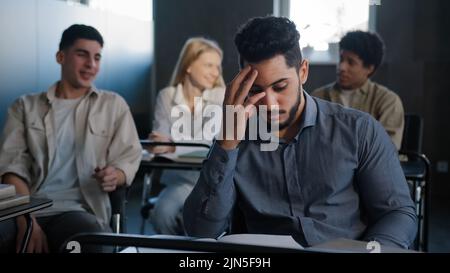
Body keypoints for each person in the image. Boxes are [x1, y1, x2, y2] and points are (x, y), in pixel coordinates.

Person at [184, 16, 417, 249]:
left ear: (303, 71)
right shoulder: (234, 140)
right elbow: (200, 231)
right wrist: (226, 144)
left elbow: (396, 213)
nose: (269, 103)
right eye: (256, 91)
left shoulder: (360, 130)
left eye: (280, 87)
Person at [0, 24, 141, 253]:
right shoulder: (23, 107)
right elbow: (12, 170)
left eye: (97, 57)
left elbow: (129, 156)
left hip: (80, 211)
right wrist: (26, 219)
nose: (91, 65)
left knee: (90, 241)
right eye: (82, 54)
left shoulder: (113, 105)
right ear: (60, 56)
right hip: (28, 208)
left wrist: (116, 174)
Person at [148, 37, 225, 235]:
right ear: (189, 65)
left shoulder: (220, 95)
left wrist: (173, 146)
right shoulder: (167, 95)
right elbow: (160, 141)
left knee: (198, 221)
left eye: (217, 66)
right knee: (161, 215)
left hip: (211, 184)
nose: (215, 72)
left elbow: (211, 143)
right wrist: (163, 144)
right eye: (209, 65)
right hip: (180, 181)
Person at [311, 30, 404, 150]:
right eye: (341, 59)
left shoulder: (387, 101)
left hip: (368, 168)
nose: (341, 67)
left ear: (369, 68)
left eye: (351, 62)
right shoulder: (318, 97)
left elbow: (387, 150)